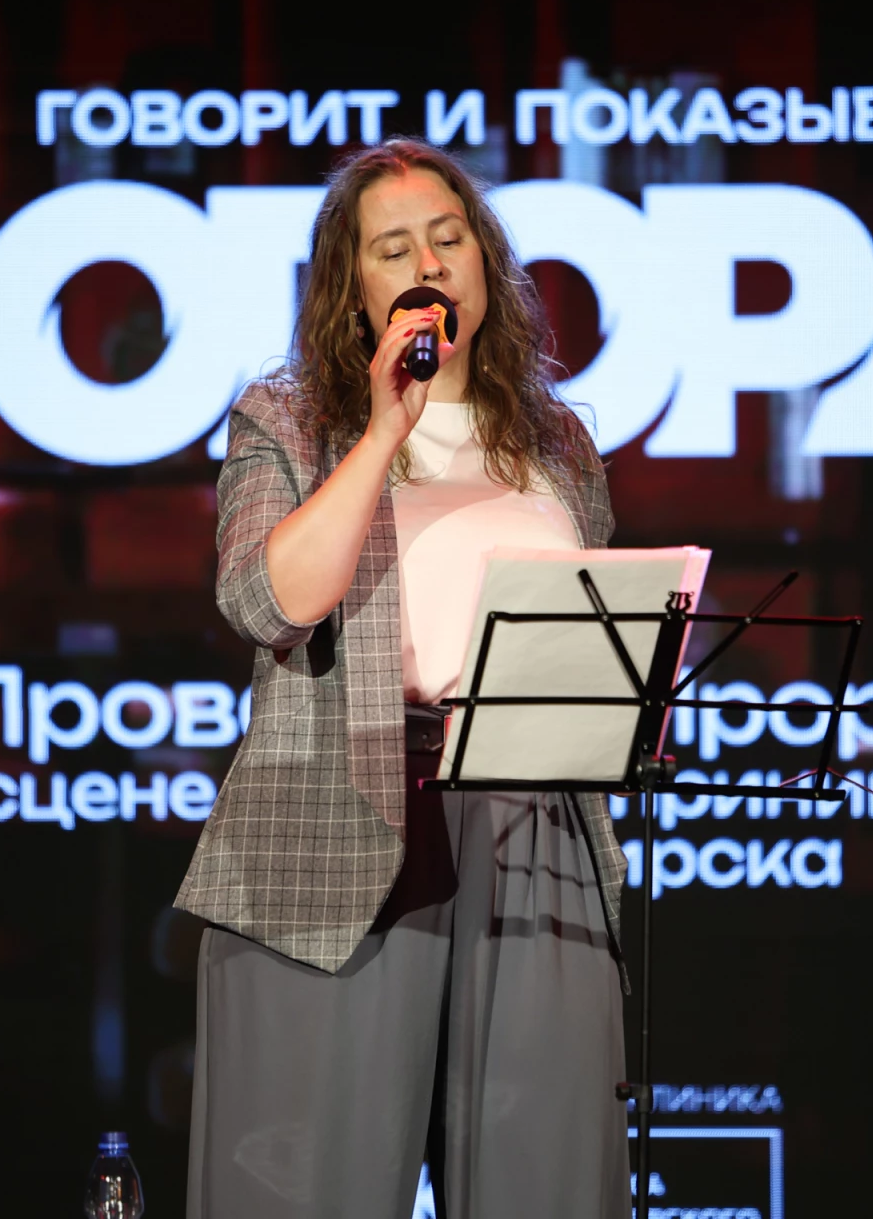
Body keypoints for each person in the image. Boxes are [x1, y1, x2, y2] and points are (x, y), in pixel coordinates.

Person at [176, 138, 632, 1219]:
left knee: (548, 1180)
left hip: (535, 829)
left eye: (447, 237)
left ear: (484, 263)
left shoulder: (557, 441)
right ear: (355, 290)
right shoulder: (288, 420)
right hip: (339, 817)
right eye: (393, 249)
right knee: (303, 1183)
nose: (428, 263)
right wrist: (387, 426)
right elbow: (267, 603)